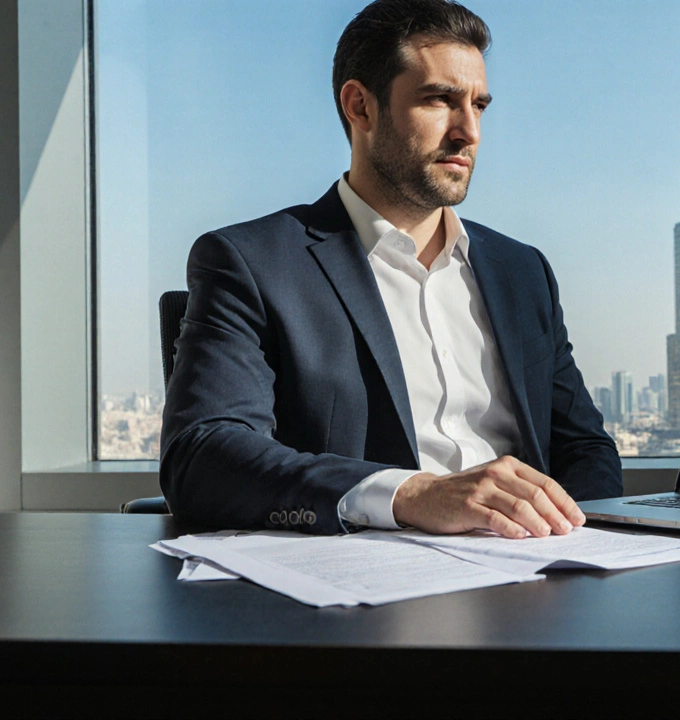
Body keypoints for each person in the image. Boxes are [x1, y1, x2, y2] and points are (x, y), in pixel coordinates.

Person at [159, 0, 622, 538]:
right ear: (360, 107)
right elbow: (202, 454)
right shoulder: (252, 264)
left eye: (479, 105)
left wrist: (582, 542)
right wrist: (409, 494)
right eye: (439, 100)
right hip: (359, 595)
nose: (468, 131)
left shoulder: (523, 271)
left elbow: (584, 448)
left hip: (534, 584)